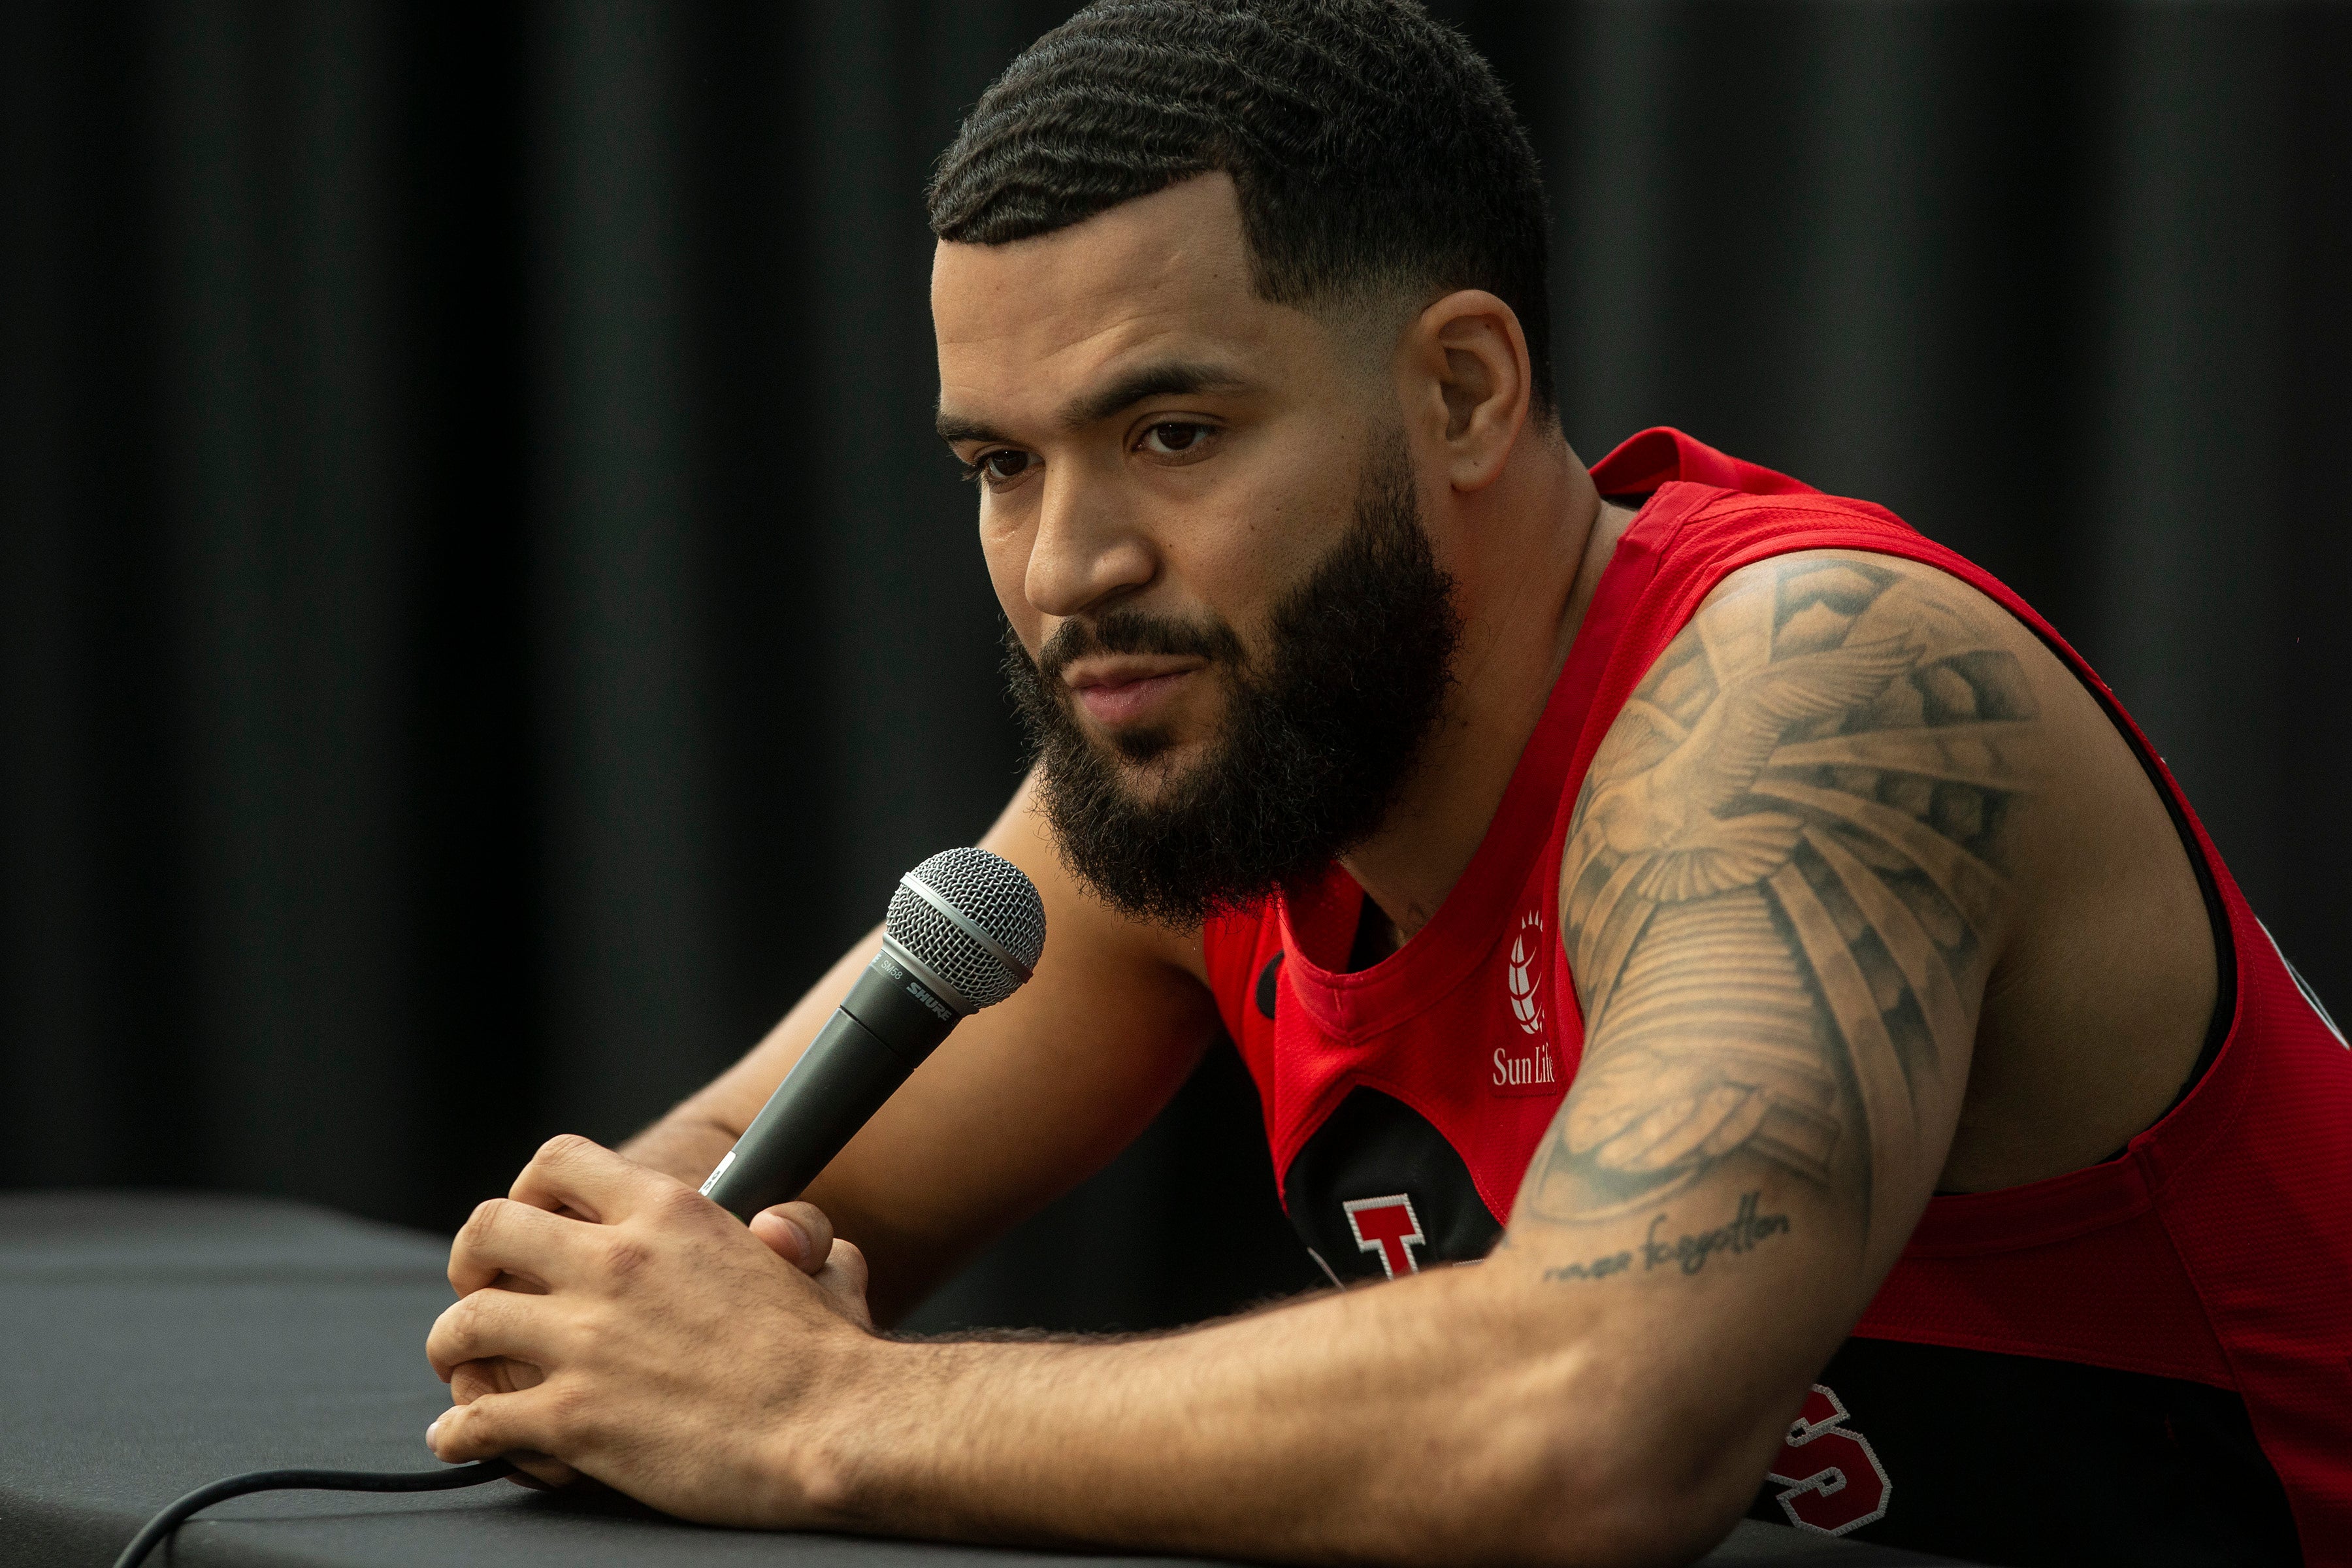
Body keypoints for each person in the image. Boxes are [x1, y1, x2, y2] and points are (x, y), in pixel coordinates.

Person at [421, 3, 2350, 1563]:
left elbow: (1594, 1427)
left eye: (1171, 431)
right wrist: (664, 1331)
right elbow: (654, 1243)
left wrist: (816, 1414)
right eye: (1001, 467)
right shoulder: (1219, 772)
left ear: (1463, 393)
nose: (1069, 563)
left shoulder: (1819, 701)